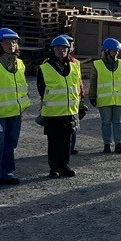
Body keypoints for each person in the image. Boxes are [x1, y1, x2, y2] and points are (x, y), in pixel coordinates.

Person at [0, 28, 29, 192]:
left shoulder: (20, 63)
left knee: (10, 143)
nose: (11, 45)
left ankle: (6, 173)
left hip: (16, 112)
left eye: (14, 42)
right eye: (7, 42)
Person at [38, 35, 86, 178]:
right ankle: (54, 168)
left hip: (69, 112)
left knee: (66, 142)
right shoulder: (45, 68)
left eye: (64, 48)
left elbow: (77, 87)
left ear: (68, 50)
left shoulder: (73, 66)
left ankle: (64, 166)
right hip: (53, 113)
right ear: (52, 49)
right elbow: (42, 90)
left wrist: (79, 106)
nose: (61, 50)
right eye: (58, 48)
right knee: (53, 142)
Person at [89, 37, 121, 154]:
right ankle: (107, 144)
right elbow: (93, 82)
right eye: (114, 50)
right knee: (106, 123)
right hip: (104, 100)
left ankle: (119, 144)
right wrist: (92, 96)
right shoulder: (97, 65)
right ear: (107, 51)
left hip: (119, 99)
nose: (117, 53)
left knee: (118, 122)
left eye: (118, 51)